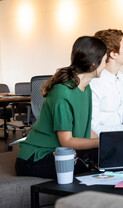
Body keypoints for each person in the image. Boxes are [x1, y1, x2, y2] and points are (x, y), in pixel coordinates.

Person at [15, 36, 107, 178]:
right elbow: (67, 141)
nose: (106, 65)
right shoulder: (62, 92)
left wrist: (107, 142)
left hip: (61, 152)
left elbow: (86, 129)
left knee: (107, 154)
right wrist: (102, 142)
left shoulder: (85, 88)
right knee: (93, 159)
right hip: (35, 158)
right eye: (104, 61)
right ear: (94, 64)